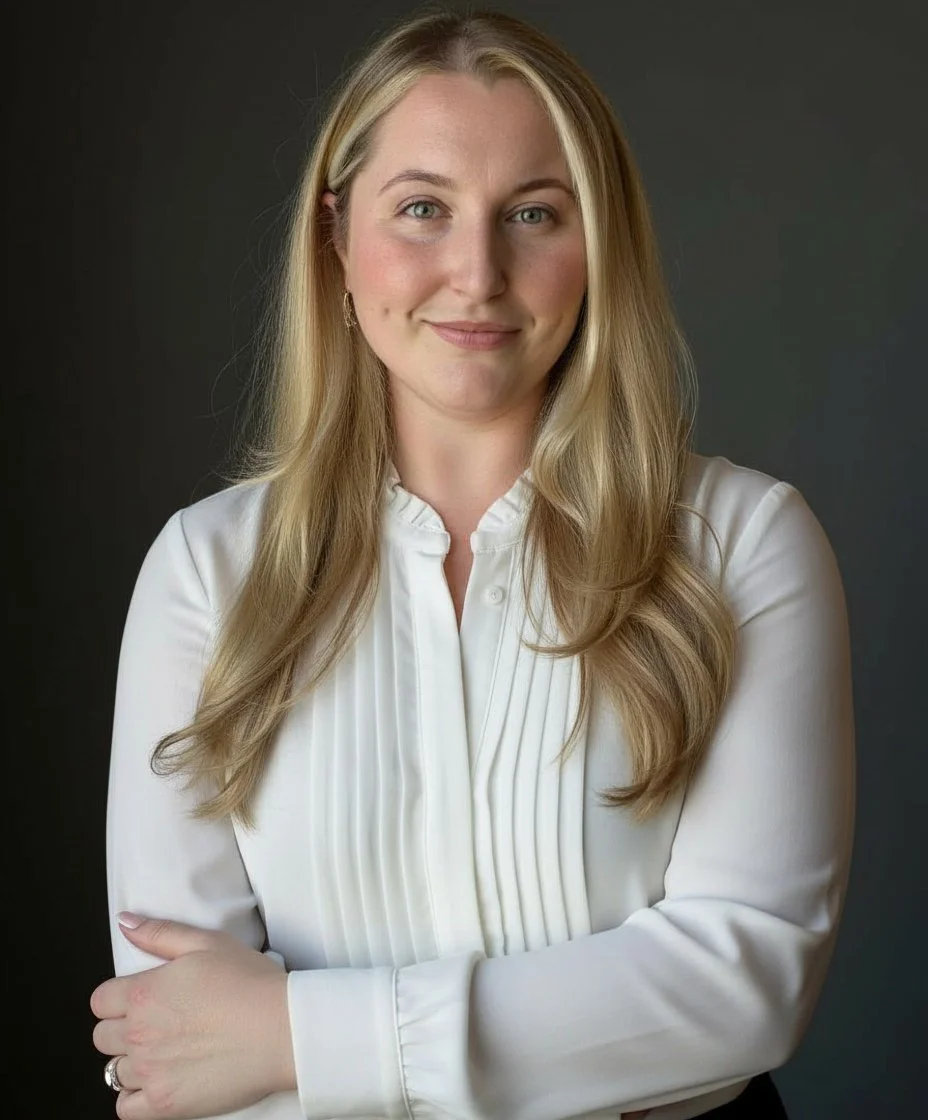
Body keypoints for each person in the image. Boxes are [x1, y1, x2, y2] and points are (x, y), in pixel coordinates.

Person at [89, 7, 856, 1120]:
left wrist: (297, 1033)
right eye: (421, 209)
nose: (476, 271)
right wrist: (592, 1039)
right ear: (335, 240)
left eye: (533, 214)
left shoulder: (742, 545)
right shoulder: (206, 575)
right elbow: (180, 1048)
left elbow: (746, 986)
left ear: (598, 245)